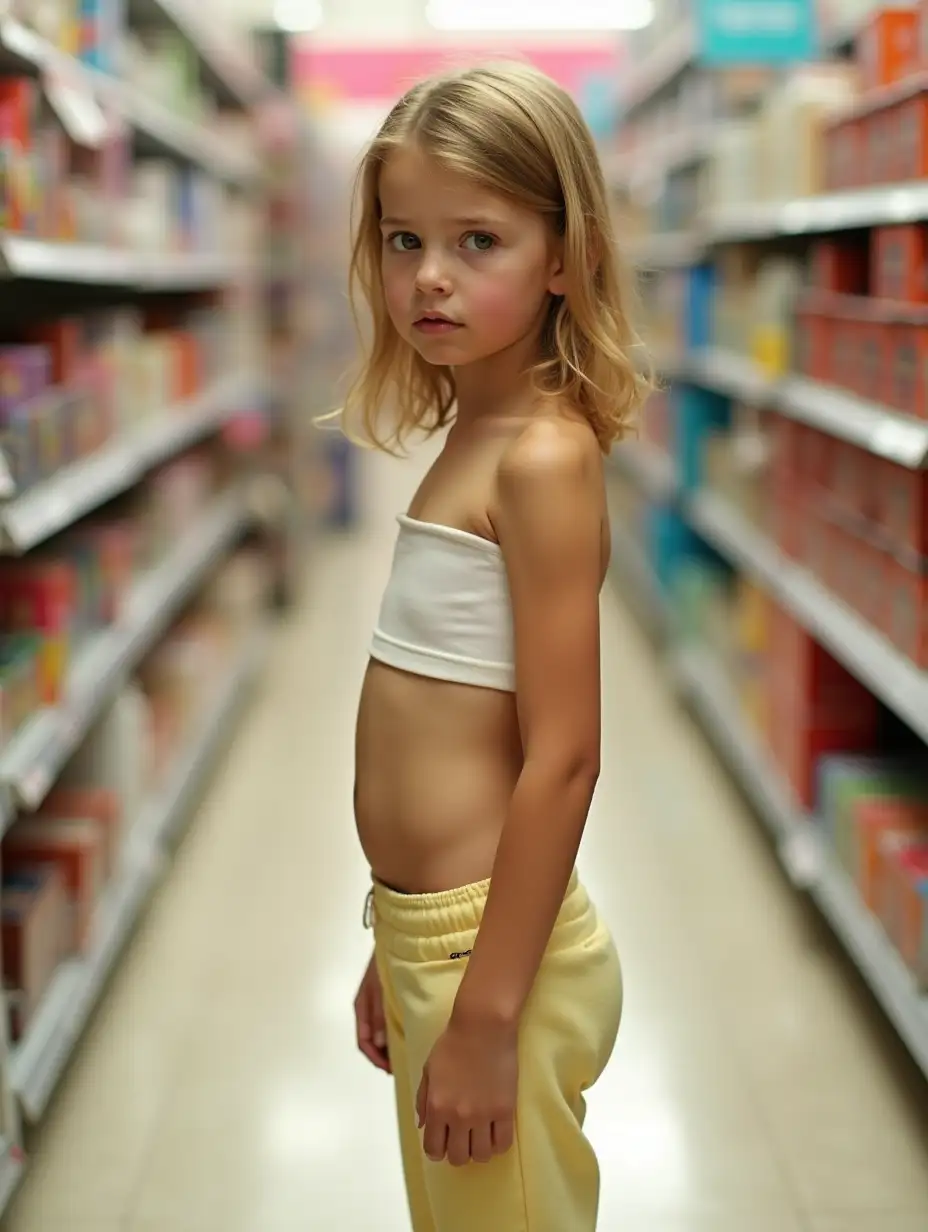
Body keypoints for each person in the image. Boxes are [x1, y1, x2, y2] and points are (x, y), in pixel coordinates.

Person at [347, 61, 650, 1232]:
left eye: (479, 240)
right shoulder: (472, 428)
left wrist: (484, 1009)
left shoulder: (539, 455)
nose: (428, 276)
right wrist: (391, 932)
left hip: (493, 953)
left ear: (565, 255)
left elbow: (561, 755)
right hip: (439, 930)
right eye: (402, 237)